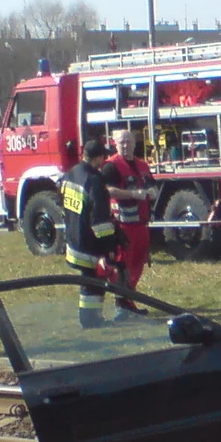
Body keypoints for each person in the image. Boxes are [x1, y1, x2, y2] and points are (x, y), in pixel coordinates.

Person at [61, 139, 121, 329]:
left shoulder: (70, 173)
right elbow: (100, 220)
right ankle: (90, 320)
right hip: (89, 243)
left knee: (88, 281)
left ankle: (90, 317)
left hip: (73, 239)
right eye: (103, 157)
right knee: (93, 283)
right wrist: (109, 247)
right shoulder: (94, 180)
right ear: (98, 158)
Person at [101, 130, 155, 317]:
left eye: (129, 142)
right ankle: (122, 305)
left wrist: (152, 192)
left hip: (141, 224)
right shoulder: (111, 166)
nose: (126, 145)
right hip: (122, 225)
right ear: (115, 144)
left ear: (134, 143)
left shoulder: (142, 165)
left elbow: (150, 184)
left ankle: (128, 302)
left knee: (138, 264)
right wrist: (131, 194)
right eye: (122, 142)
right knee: (123, 266)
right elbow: (107, 190)